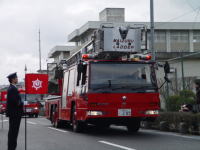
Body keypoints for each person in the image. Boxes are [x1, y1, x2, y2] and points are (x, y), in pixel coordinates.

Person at [6, 72, 23, 150]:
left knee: (13, 133)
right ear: (13, 79)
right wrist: (21, 102)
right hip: (15, 114)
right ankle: (11, 148)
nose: (17, 79)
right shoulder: (12, 89)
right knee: (13, 133)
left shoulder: (12, 88)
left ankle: (12, 147)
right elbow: (14, 101)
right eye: (16, 78)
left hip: (14, 114)